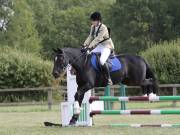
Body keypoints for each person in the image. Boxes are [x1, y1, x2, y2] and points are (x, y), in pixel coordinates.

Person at [82, 11, 114, 85]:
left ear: (98, 20)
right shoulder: (93, 27)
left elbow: (98, 39)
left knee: (102, 61)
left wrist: (89, 47)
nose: (92, 22)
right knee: (88, 55)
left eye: (93, 20)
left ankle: (109, 78)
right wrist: (85, 45)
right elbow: (91, 36)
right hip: (99, 46)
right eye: (91, 20)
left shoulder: (103, 28)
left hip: (107, 46)